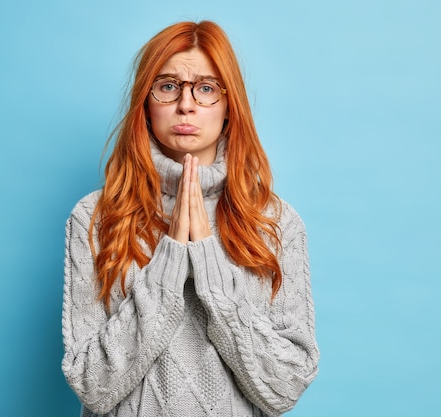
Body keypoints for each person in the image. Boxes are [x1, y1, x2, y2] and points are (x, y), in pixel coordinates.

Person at [61, 20, 319, 417]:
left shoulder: (275, 222)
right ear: (145, 105)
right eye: (167, 86)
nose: (186, 104)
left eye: (206, 88)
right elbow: (93, 387)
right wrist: (167, 266)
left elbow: (284, 389)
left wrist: (212, 273)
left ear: (230, 106)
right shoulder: (95, 219)